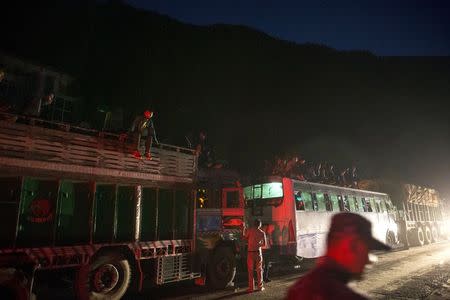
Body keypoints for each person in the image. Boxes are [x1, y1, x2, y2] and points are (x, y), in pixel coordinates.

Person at [287, 212, 391, 300]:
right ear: (350, 248)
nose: (368, 261)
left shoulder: (298, 288)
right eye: (366, 251)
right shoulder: (346, 296)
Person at [243, 219, 266, 293]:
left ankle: (251, 288)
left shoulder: (250, 230)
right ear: (260, 225)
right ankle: (260, 287)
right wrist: (258, 244)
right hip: (258, 253)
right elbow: (264, 244)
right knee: (259, 270)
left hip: (250, 252)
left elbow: (245, 237)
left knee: (250, 271)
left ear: (254, 224)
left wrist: (244, 229)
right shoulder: (262, 233)